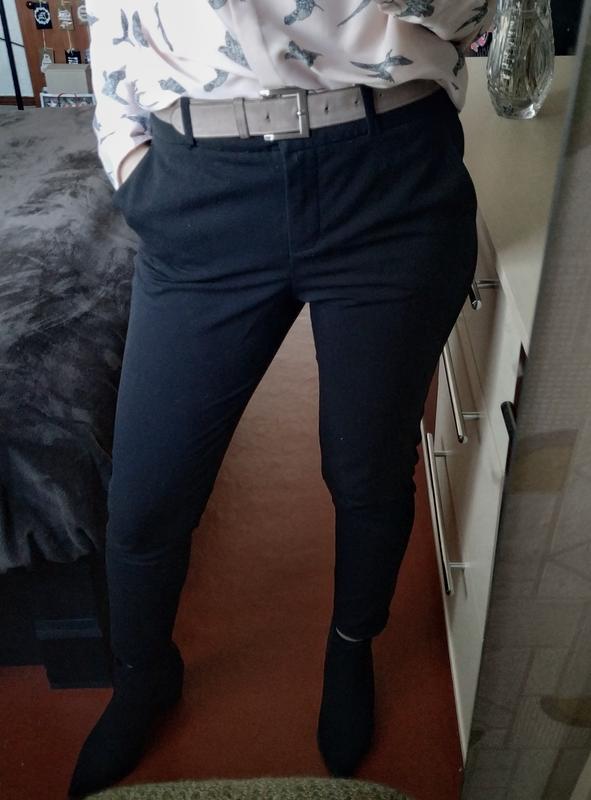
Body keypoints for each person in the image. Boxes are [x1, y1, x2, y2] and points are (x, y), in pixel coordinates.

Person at [69, 1, 496, 797]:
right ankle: (142, 676)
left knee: (366, 469)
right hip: (200, 185)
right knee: (148, 494)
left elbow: (470, 12)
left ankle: (350, 646)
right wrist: (126, 159)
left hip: (388, 177)